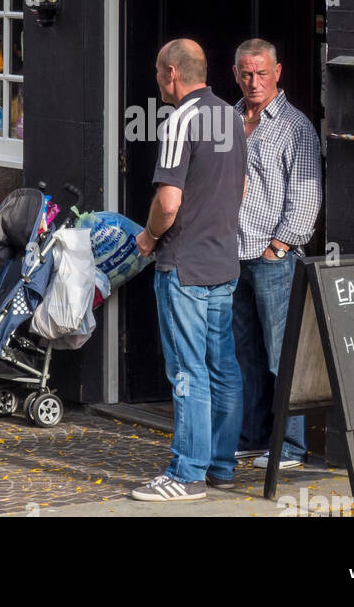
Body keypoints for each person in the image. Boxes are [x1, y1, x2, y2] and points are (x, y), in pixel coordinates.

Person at [130, 39, 247, 503]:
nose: (156, 80)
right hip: (224, 258)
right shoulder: (231, 117)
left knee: (187, 372)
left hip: (184, 264)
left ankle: (186, 472)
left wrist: (149, 237)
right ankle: (220, 465)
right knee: (224, 368)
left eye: (159, 71)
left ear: (173, 74)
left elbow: (168, 201)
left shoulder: (181, 119)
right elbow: (238, 190)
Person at [231, 37, 322, 472]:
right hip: (230, 255)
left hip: (273, 259)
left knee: (281, 354)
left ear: (277, 73)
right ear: (236, 74)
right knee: (242, 353)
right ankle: (251, 439)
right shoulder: (226, 121)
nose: (254, 81)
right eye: (247, 73)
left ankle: (289, 446)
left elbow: (306, 197)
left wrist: (277, 247)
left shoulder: (295, 127)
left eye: (261, 73)